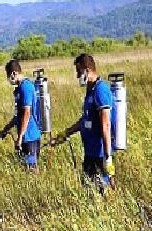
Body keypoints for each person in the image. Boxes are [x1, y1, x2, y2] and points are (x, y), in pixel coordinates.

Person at [50, 54, 116, 193]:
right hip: (90, 153)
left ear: (87, 70)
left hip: (100, 155)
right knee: (88, 190)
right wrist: (65, 134)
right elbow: (85, 120)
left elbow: (106, 125)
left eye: (79, 72)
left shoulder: (101, 90)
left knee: (101, 192)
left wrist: (108, 158)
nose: (77, 76)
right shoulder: (90, 90)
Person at [0, 59, 43, 172]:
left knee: (32, 169)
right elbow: (19, 115)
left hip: (30, 138)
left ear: (14, 73)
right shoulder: (19, 89)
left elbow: (27, 112)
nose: (8, 79)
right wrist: (5, 129)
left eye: (8, 75)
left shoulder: (26, 87)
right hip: (25, 138)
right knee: (25, 169)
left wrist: (20, 136)